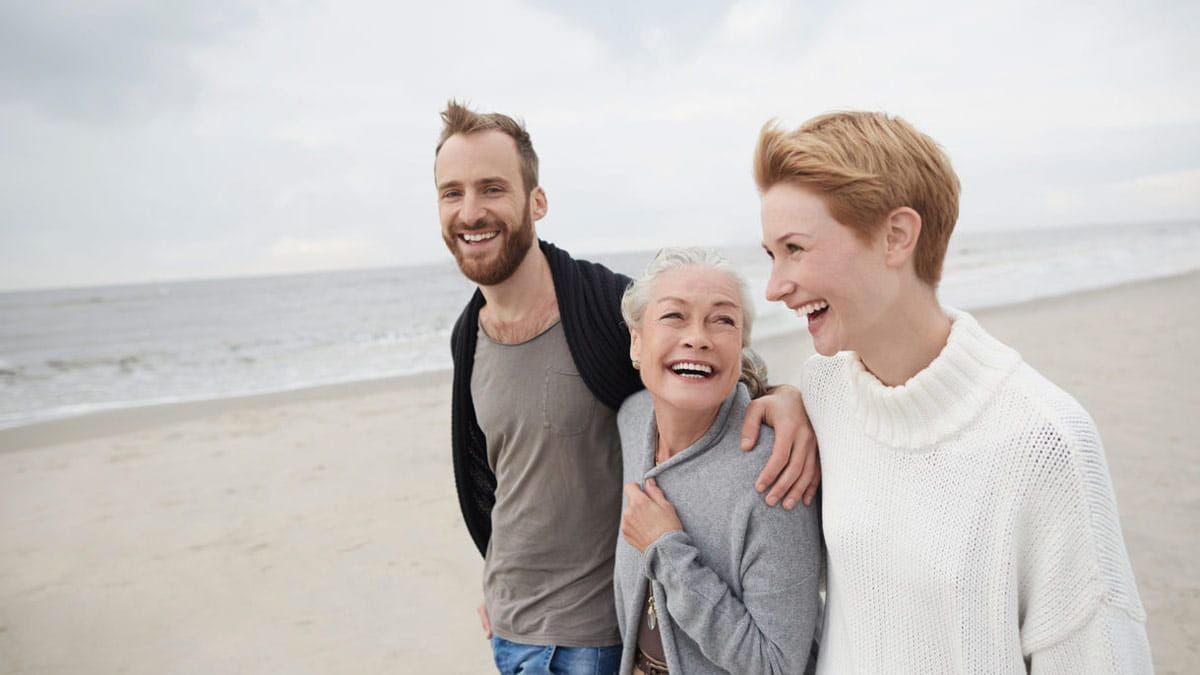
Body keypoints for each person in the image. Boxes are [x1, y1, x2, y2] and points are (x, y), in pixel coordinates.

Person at [755, 111, 1153, 673]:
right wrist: (781, 396)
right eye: (771, 255)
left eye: (795, 248)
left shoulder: (1046, 441)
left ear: (896, 236)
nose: (774, 288)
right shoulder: (823, 392)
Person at [434, 101, 820, 674]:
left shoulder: (601, 308)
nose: (471, 211)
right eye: (452, 192)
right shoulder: (467, 334)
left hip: (590, 639)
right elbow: (495, 478)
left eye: (492, 188)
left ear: (536, 201)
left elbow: (696, 349)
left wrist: (781, 397)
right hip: (509, 627)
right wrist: (498, 577)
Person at [613, 248, 822, 674]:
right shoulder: (631, 419)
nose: (698, 337)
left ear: (741, 347)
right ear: (637, 341)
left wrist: (666, 551)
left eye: (723, 320)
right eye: (674, 316)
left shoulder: (774, 471)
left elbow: (777, 665)